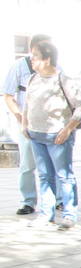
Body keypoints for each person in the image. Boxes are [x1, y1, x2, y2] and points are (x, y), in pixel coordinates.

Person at [22, 41, 81, 230]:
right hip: (36, 135)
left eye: (35, 55)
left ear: (47, 58)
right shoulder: (33, 79)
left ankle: (69, 214)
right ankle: (46, 214)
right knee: (44, 176)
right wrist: (24, 125)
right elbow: (27, 104)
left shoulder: (63, 79)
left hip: (58, 136)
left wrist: (68, 129)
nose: (31, 59)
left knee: (64, 176)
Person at [3, 34, 53, 216]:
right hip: (27, 124)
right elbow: (8, 95)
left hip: (51, 124)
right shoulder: (19, 67)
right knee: (27, 165)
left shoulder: (55, 67)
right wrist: (19, 117)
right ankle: (28, 201)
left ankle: (58, 201)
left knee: (52, 165)